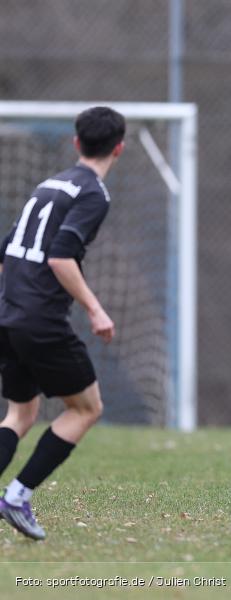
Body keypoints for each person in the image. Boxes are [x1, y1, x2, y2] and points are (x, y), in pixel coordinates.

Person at [0, 106, 125, 540]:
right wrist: (95, 308)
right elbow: (59, 256)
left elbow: (7, 251)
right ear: (119, 148)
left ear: (77, 143)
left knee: (21, 412)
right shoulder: (93, 193)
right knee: (87, 408)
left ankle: (14, 494)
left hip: (9, 313)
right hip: (39, 320)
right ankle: (16, 496)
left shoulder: (49, 184)